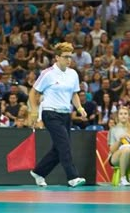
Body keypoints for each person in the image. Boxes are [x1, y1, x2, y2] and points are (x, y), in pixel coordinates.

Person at [28, 42, 87, 187]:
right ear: (57, 57)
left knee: (58, 148)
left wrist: (79, 108)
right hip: (50, 113)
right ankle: (72, 178)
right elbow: (33, 92)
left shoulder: (73, 74)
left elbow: (74, 94)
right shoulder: (47, 74)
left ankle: (39, 172)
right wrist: (34, 110)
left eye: (70, 57)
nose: (69, 60)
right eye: (65, 57)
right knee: (65, 146)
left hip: (66, 115)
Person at [107, 106, 130, 185]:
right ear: (118, 116)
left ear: (129, 116)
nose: (123, 115)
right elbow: (111, 150)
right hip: (115, 157)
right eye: (121, 114)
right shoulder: (113, 130)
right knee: (126, 149)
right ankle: (122, 178)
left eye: (125, 114)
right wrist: (119, 140)